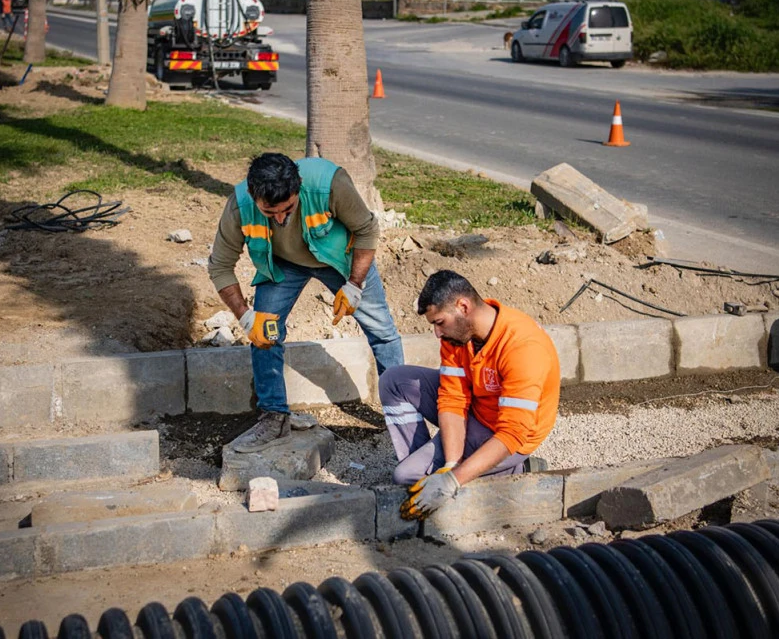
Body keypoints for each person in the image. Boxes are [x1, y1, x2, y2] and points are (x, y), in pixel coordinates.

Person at [208, 153, 404, 453]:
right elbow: (220, 266)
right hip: (282, 265)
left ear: (298, 188)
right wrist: (246, 318)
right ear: (253, 196)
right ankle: (274, 417)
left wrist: (354, 285)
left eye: (288, 208)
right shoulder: (239, 205)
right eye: (270, 212)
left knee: (382, 331)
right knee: (265, 337)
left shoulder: (329, 183)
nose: (281, 219)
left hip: (341, 261)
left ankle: (403, 417)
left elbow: (366, 229)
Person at [381, 270, 560, 521]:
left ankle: (515, 469)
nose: (437, 333)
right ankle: (435, 472)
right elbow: (452, 398)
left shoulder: (523, 347)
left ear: (463, 306)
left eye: (439, 322)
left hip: (504, 434)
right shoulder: (458, 336)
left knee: (404, 476)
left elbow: (512, 433)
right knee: (394, 381)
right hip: (477, 408)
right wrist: (450, 466)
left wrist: (452, 481)